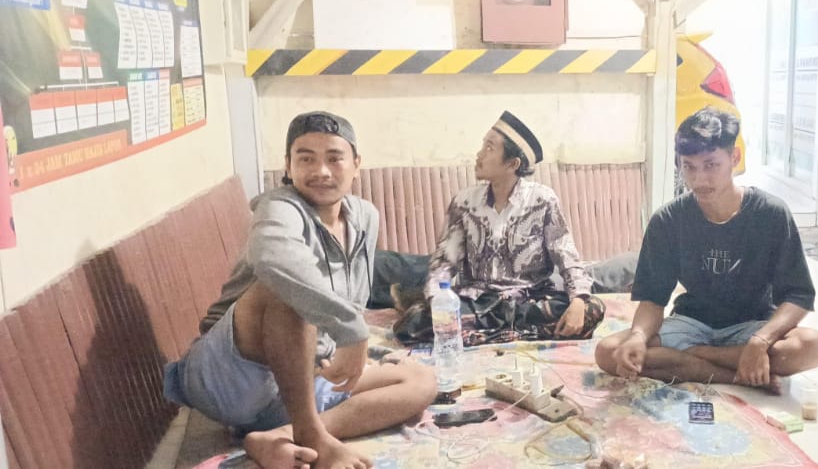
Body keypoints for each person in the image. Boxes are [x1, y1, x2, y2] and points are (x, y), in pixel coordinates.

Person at [163, 111, 436, 469]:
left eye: (334, 158)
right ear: (288, 167)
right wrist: (351, 330)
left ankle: (280, 436)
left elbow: (352, 297)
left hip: (297, 382)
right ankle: (312, 435)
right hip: (232, 376)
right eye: (306, 159)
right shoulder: (279, 207)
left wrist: (345, 351)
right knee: (286, 290)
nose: (321, 171)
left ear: (356, 164)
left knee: (420, 380)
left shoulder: (364, 216)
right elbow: (273, 259)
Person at [594, 108, 818, 392]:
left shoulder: (770, 213)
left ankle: (699, 358)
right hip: (690, 324)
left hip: (751, 325)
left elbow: (798, 296)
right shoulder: (668, 220)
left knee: (812, 347)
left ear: (734, 158)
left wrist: (760, 341)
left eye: (711, 165)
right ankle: (734, 374)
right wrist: (638, 337)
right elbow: (653, 301)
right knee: (609, 352)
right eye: (689, 167)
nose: (699, 179)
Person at [394, 111, 604, 345]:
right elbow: (443, 262)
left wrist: (578, 300)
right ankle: (515, 334)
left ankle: (484, 336)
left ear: (512, 164)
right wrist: (437, 302)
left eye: (489, 148)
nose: (479, 154)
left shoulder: (543, 200)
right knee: (415, 323)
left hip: (530, 300)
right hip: (480, 302)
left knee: (593, 310)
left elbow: (567, 255)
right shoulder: (464, 202)